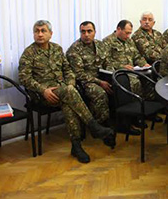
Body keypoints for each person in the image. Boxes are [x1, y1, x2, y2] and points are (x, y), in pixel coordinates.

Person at [19, 20, 115, 164]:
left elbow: (68, 70)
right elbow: (23, 78)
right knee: (70, 93)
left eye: (43, 31)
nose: (40, 34)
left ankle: (76, 146)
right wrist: (43, 90)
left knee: (69, 102)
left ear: (50, 34)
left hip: (63, 90)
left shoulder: (57, 49)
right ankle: (93, 127)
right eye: (37, 31)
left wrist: (70, 84)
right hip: (43, 95)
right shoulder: (28, 53)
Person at [66, 21, 112, 126]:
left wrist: (110, 74)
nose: (86, 35)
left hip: (102, 76)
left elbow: (107, 61)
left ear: (95, 32)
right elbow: (78, 74)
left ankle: (122, 120)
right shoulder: (74, 50)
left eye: (89, 31)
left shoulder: (100, 45)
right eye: (83, 32)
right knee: (100, 93)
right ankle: (100, 124)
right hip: (86, 81)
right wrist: (100, 82)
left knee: (121, 84)